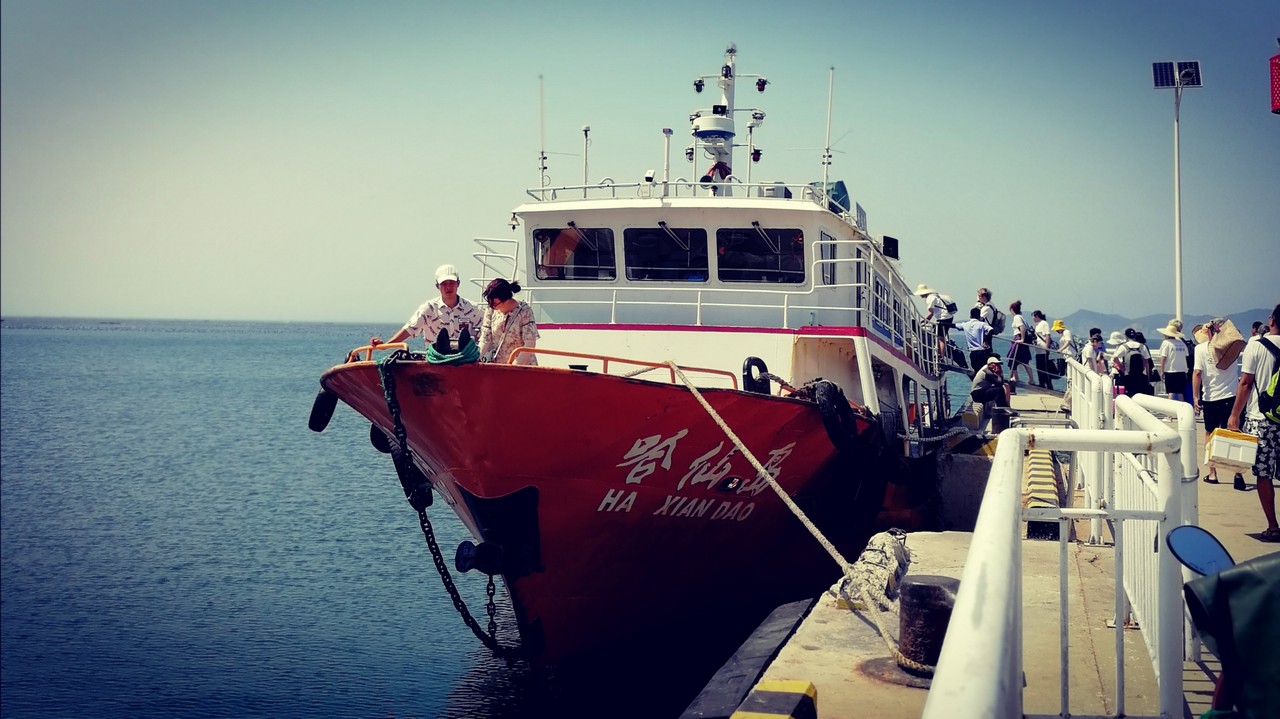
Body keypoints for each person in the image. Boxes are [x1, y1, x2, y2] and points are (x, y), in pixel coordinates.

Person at [1227, 303, 1280, 541]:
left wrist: (1235, 415)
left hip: (1262, 419)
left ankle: (1273, 526)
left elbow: (1246, 383)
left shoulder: (1257, 346)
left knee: (1264, 474)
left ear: (1271, 320)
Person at [371, 264, 483, 354]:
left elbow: (486, 336)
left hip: (465, 363)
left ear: (458, 284)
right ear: (437, 286)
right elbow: (409, 329)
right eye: (444, 283)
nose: (448, 287)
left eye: (451, 282)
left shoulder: (474, 309)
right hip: (436, 361)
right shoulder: (429, 308)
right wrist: (385, 345)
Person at [1194, 319, 1244, 489]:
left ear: (1207, 332)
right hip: (1231, 396)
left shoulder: (1200, 349)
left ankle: (1213, 473)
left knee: (1210, 434)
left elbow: (1197, 373)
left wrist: (1195, 397)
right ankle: (1237, 473)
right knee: (1234, 434)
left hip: (1210, 398)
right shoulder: (1230, 348)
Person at [479, 278, 540, 365]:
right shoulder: (490, 310)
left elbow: (530, 343)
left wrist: (515, 366)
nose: (491, 305)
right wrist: (476, 358)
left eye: (494, 303)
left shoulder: (525, 310)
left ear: (505, 299)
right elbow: (485, 339)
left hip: (522, 366)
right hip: (499, 366)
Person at [915, 283, 955, 359]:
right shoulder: (935, 296)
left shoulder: (930, 299)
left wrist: (923, 322)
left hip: (943, 318)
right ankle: (939, 354)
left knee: (940, 337)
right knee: (939, 336)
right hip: (948, 317)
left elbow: (930, 313)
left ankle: (940, 355)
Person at [1112, 328, 1153, 397]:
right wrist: (1148, 376)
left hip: (1128, 375)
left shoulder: (1124, 346)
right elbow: (1146, 362)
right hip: (1141, 375)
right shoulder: (1142, 346)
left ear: (1126, 336)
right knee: (1140, 394)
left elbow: (1115, 358)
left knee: (1130, 394)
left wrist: (1122, 368)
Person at [1156, 319, 1189, 402]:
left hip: (1170, 371)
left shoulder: (1166, 343)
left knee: (1171, 392)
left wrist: (1162, 371)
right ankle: (1182, 410)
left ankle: (1170, 413)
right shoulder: (1181, 343)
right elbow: (1186, 355)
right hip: (1182, 371)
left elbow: (1163, 358)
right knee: (1180, 393)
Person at [957, 307, 994, 371]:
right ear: (979, 316)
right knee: (983, 371)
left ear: (970, 315)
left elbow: (954, 325)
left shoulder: (965, 324)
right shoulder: (982, 324)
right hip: (982, 351)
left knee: (976, 371)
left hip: (973, 353)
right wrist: (986, 341)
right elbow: (991, 330)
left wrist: (941, 323)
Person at [1007, 300, 1034, 386]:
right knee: (1025, 361)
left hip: (1019, 339)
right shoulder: (1021, 317)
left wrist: (1021, 339)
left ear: (1012, 309)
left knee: (1011, 358)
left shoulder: (1017, 318)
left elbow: (1022, 328)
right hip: (1023, 339)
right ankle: (1031, 379)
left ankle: (1016, 377)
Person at [1031, 310, 1053, 389]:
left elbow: (1047, 335)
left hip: (1043, 349)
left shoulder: (1044, 323)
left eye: (1033, 316)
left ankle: (1049, 384)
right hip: (1038, 350)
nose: (1033, 318)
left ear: (1037, 316)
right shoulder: (1037, 325)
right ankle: (1041, 383)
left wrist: (1047, 347)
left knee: (1045, 367)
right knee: (1039, 367)